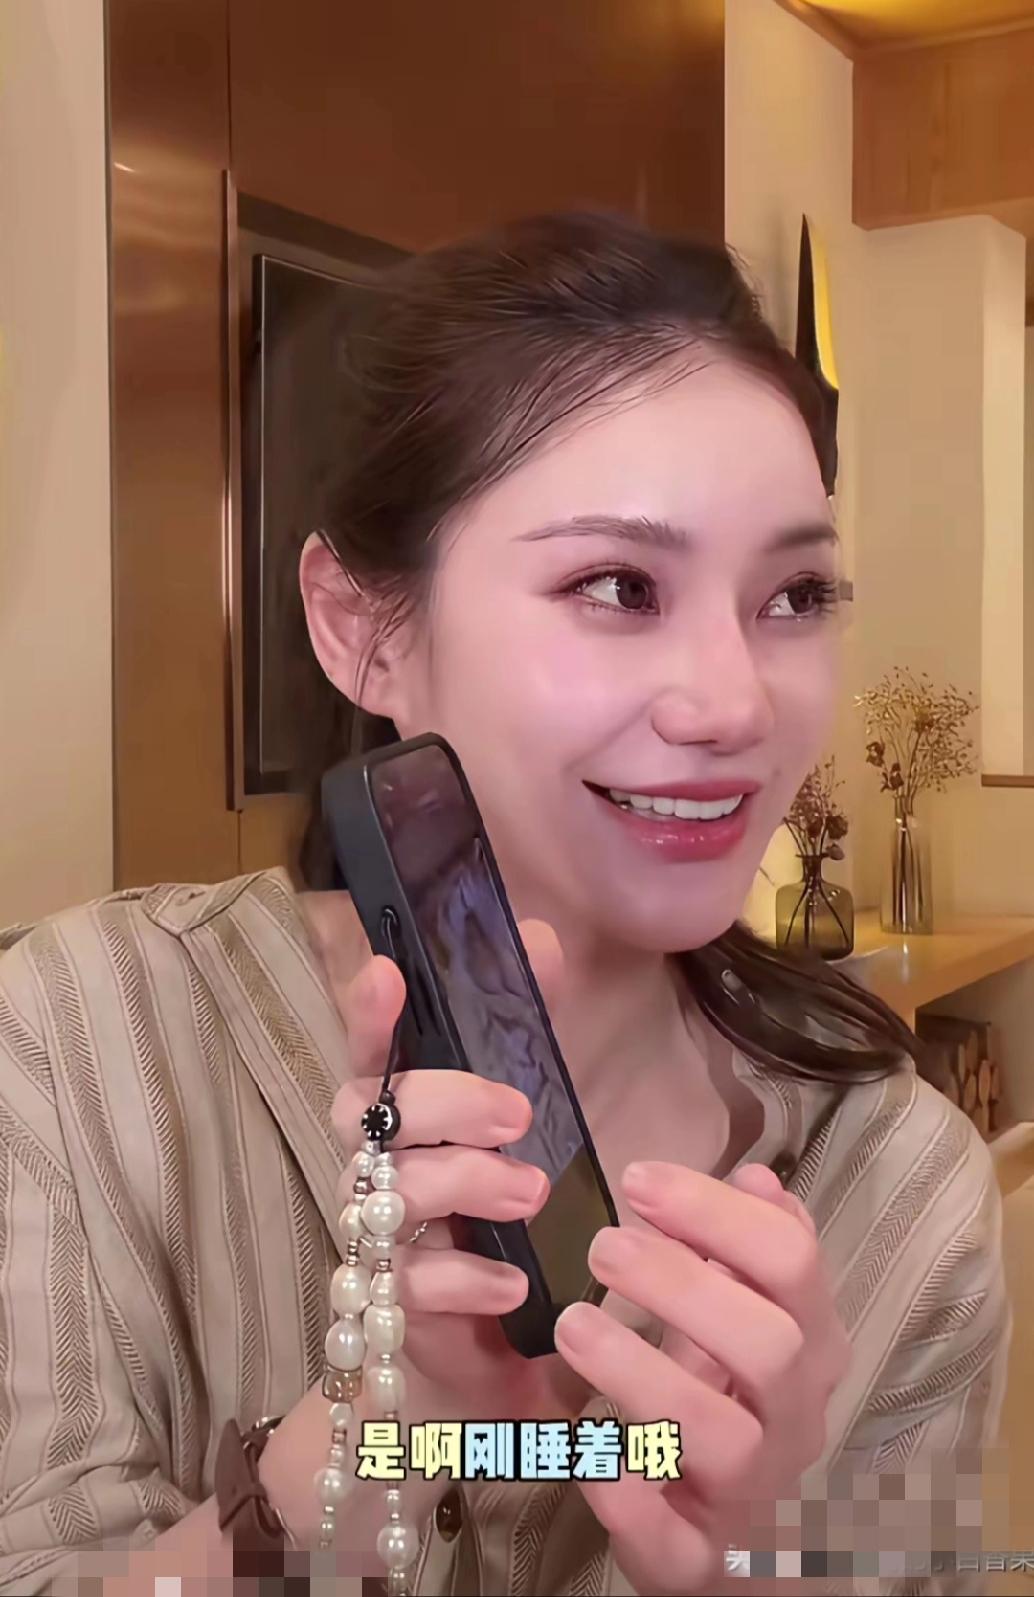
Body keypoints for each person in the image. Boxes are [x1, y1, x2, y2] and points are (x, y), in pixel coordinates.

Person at [0, 213, 1008, 1596]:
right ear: (361, 628)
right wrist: (369, 1444)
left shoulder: (902, 1187)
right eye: (617, 586)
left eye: (794, 595)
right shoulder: (77, 1037)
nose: (734, 703)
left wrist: (759, 1574)